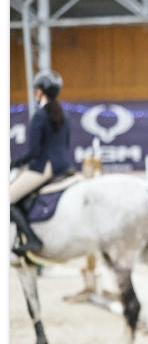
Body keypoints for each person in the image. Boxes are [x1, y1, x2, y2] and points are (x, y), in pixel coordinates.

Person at [10, 69, 74, 255]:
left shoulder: (39, 116)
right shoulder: (65, 114)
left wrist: (14, 164)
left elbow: (34, 152)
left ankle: (32, 239)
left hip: (45, 168)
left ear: (40, 91)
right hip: (64, 165)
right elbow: (66, 144)